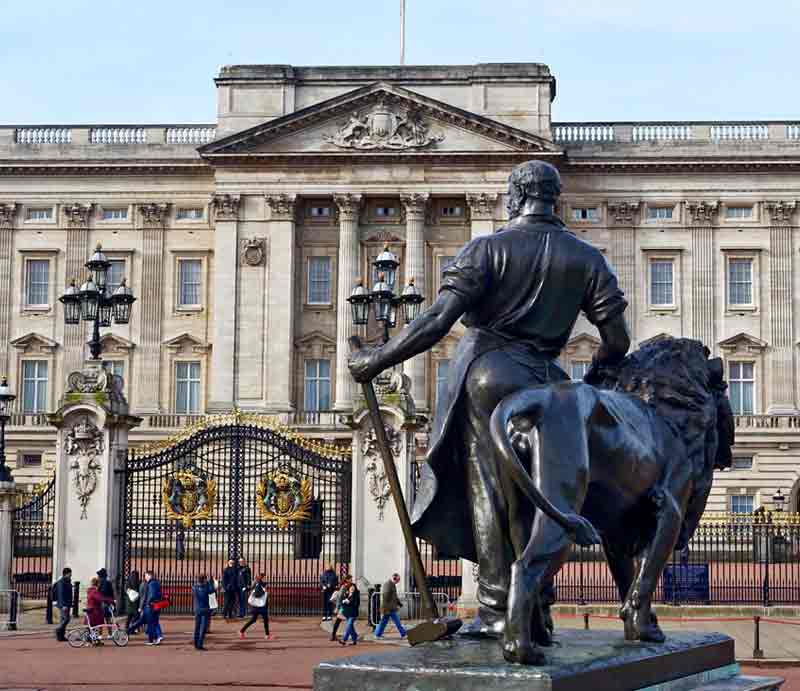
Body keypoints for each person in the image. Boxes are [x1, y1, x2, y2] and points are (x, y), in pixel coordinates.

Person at [349, 160, 630, 638]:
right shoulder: (587, 258)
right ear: (554, 199)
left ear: (515, 197)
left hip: (489, 375)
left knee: (490, 490)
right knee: (540, 498)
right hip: (550, 383)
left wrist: (374, 360)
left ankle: (499, 609)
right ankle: (536, 605)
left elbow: (437, 321)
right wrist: (595, 379)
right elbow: (617, 340)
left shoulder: (487, 249)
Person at [239, 574, 273, 640]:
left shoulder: (256, 584)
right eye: (265, 578)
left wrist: (244, 589)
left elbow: (248, 589)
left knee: (253, 620)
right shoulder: (264, 585)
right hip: (262, 606)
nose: (266, 579)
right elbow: (262, 594)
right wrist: (266, 592)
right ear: (262, 578)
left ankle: (241, 631)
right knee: (265, 620)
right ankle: (267, 635)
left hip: (255, 606)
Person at [374, 573, 406, 639]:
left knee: (383, 622)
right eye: (398, 580)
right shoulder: (388, 584)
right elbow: (386, 597)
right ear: (394, 578)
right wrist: (387, 608)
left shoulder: (392, 584)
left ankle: (377, 634)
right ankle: (403, 634)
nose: (398, 581)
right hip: (388, 608)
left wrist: (399, 604)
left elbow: (394, 597)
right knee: (397, 622)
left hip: (390, 608)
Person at [86, 577, 115, 645]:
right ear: (97, 584)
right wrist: (111, 600)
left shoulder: (90, 590)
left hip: (91, 610)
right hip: (94, 611)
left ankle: (95, 640)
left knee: (94, 626)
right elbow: (100, 598)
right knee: (96, 625)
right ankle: (92, 639)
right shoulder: (94, 591)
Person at [192, 574, 216, 650]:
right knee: (203, 628)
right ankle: (200, 644)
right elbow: (212, 591)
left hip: (197, 609)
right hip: (205, 609)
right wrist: (210, 582)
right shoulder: (206, 588)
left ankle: (196, 643)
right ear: (204, 580)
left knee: (197, 627)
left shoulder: (194, 587)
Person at [141, 570, 164, 646]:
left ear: (149, 576)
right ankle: (156, 636)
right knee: (154, 621)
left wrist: (148, 603)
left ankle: (156, 636)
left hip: (152, 605)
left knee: (152, 621)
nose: (145, 577)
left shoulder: (151, 583)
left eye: (146, 575)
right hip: (156, 605)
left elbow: (151, 595)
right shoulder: (156, 582)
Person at [329, 575, 351, 642]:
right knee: (349, 621)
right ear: (347, 580)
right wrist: (337, 608)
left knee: (339, 621)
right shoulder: (343, 587)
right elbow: (339, 598)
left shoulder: (346, 586)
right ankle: (349, 636)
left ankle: (333, 635)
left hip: (343, 606)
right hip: (342, 607)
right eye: (350, 579)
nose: (351, 580)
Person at [53, 567, 73, 642]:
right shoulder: (61, 582)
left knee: (63, 619)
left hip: (67, 603)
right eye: (70, 573)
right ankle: (58, 630)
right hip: (63, 604)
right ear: (66, 574)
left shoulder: (67, 581)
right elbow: (61, 594)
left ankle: (61, 636)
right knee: (67, 619)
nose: (71, 575)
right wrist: (64, 605)